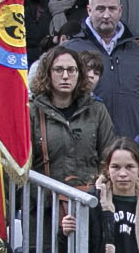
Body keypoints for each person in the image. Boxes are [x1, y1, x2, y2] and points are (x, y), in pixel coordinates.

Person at [33, 44, 121, 193]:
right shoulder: (32, 111)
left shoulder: (96, 110)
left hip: (88, 201)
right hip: (44, 205)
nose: (66, 76)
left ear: (79, 73)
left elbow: (109, 157)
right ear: (47, 73)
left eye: (71, 70)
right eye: (58, 69)